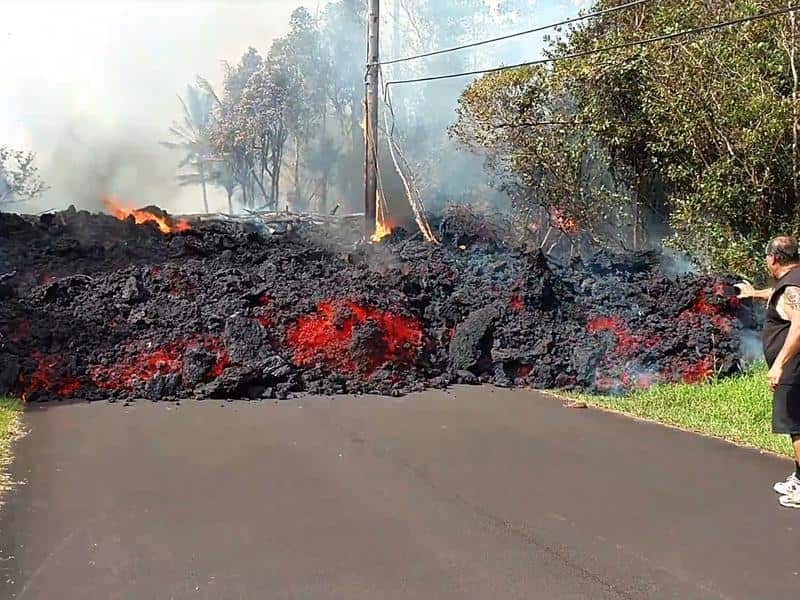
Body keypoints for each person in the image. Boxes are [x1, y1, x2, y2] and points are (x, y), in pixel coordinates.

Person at [737, 236, 800, 509]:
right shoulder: (793, 281)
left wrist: (779, 364)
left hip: (794, 369)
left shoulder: (791, 288)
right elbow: (780, 297)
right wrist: (753, 294)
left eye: (767, 257)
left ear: (774, 258)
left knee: (796, 427)